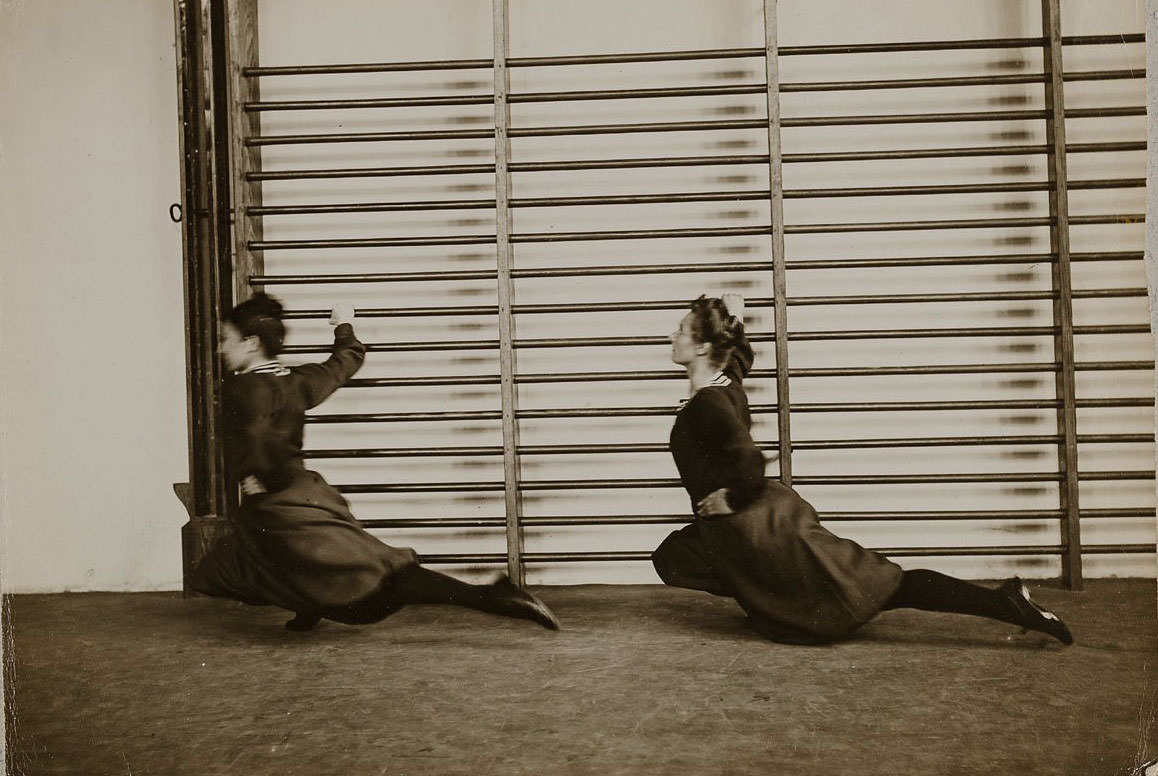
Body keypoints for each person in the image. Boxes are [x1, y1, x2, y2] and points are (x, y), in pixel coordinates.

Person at [651, 293, 1073, 646]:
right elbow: (740, 357)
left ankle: (1004, 601)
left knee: (883, 586)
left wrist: (728, 498)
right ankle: (771, 601)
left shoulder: (708, 402)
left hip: (763, 529)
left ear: (703, 347)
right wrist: (734, 319)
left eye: (682, 332)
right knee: (676, 556)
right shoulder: (727, 382)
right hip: (763, 521)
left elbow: (749, 463)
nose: (673, 337)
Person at [189, 293, 559, 633]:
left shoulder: (242, 387)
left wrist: (252, 473)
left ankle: (492, 595)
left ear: (251, 343)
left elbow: (254, 431)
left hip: (279, 503)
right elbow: (345, 360)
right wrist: (342, 326)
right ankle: (308, 605)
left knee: (368, 587)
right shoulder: (297, 380)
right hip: (303, 494)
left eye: (227, 339)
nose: (222, 349)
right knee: (272, 566)